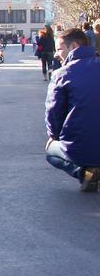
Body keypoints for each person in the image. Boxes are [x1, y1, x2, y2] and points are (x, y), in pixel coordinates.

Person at [45, 28, 100, 191]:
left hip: (82, 146)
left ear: (73, 46)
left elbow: (54, 113)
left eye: (59, 48)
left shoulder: (61, 74)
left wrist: (53, 136)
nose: (56, 54)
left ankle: (84, 172)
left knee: (51, 151)